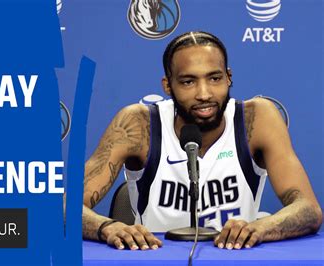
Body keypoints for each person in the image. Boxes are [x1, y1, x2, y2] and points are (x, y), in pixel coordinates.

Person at [82, 31, 322, 251]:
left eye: (215, 78)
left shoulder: (257, 119)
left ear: (229, 78)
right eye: (188, 81)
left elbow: (309, 209)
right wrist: (108, 227)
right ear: (168, 85)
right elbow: (62, 205)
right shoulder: (138, 124)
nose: (204, 93)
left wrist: (260, 227)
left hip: (235, 258)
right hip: (154, 258)